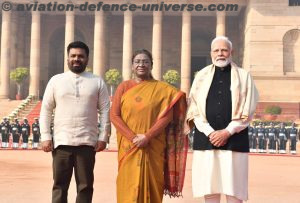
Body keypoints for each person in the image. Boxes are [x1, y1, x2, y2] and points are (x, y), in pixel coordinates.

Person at [186, 36, 259, 203]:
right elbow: (194, 108)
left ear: (231, 52)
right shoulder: (201, 76)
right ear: (211, 53)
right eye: (217, 50)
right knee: (209, 188)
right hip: (206, 139)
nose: (220, 54)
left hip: (235, 139)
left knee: (234, 190)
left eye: (224, 50)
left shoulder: (244, 76)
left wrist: (228, 131)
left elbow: (248, 109)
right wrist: (211, 132)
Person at [110, 49, 188, 203]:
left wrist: (147, 136)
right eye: (137, 61)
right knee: (127, 185)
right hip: (129, 146)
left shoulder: (163, 89)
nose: (141, 64)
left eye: (145, 61)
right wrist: (133, 138)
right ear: (132, 66)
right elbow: (114, 115)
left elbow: (168, 116)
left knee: (153, 184)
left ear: (151, 65)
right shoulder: (123, 87)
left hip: (153, 144)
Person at [40, 41, 110, 203]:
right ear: (67, 58)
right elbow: (46, 110)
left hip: (87, 142)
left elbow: (105, 111)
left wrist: (103, 137)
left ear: (87, 59)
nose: (76, 59)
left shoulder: (97, 81)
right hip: (61, 142)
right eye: (73, 56)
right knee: (59, 186)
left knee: (85, 186)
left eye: (80, 56)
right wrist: (45, 136)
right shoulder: (56, 80)